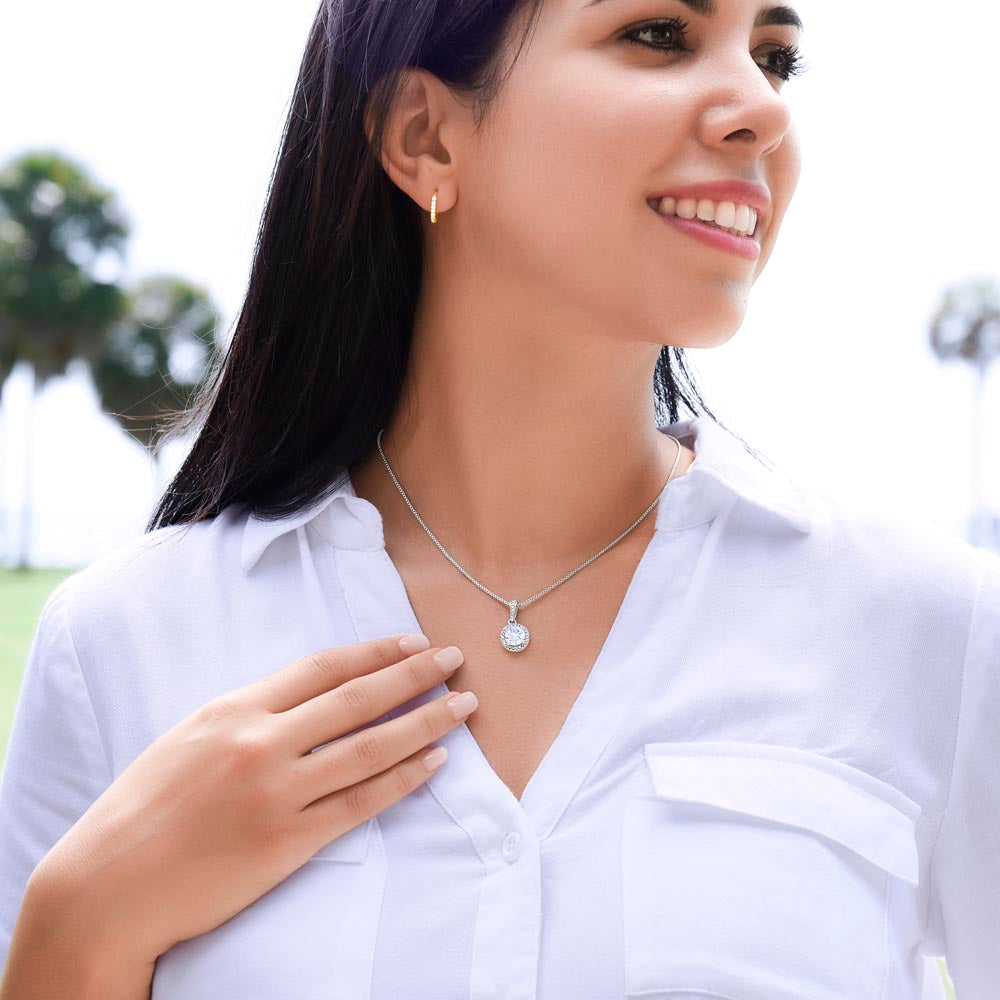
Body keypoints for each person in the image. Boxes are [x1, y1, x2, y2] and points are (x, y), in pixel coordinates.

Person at [1, 0, 997, 997]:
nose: (759, 107)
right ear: (426, 138)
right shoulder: (121, 645)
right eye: (657, 35)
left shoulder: (935, 634)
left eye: (775, 57)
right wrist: (79, 923)